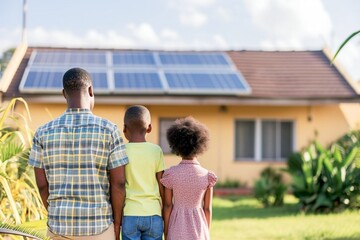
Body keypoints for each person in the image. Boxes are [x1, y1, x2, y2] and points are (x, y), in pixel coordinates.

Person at [28, 68, 128, 240]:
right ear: (90, 91)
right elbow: (118, 184)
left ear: (63, 94)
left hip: (59, 227)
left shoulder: (42, 132)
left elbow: (43, 186)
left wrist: (57, 215)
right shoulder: (110, 130)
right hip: (100, 228)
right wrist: (117, 223)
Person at [161, 116, 217, 240]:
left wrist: (166, 232)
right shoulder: (207, 176)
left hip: (176, 229)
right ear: (200, 146)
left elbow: (168, 206)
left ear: (177, 146)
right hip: (199, 230)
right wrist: (206, 232)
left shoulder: (171, 174)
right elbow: (207, 209)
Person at [121, 105, 165, 240]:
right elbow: (161, 184)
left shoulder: (121, 151)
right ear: (149, 128)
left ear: (124, 128)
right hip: (154, 214)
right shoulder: (156, 151)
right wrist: (164, 210)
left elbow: (119, 184)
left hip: (130, 214)